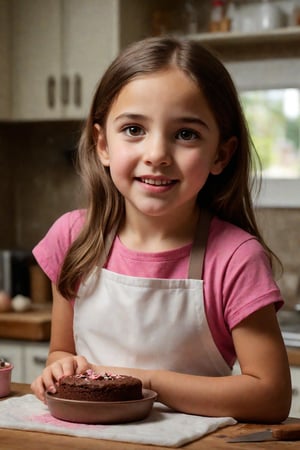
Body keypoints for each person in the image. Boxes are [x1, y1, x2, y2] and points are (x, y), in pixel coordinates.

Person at [31, 36, 291, 423]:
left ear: (220, 154)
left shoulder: (234, 258)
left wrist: (146, 382)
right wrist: (58, 369)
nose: (156, 155)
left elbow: (270, 396)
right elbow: (60, 352)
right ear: (103, 144)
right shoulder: (73, 238)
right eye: (134, 129)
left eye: (186, 134)